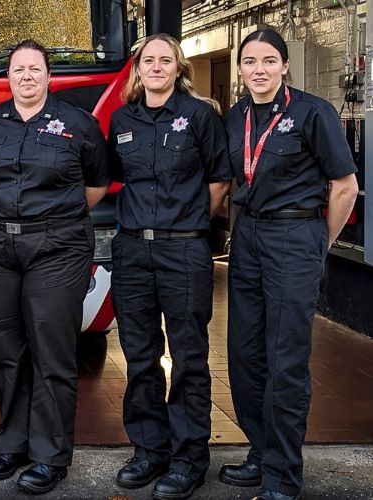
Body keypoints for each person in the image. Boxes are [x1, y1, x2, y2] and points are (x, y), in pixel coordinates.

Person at [0, 39, 110, 495]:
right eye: (18, 69)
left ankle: (50, 456)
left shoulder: (78, 124)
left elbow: (97, 184)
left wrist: (50, 220)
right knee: (7, 351)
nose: (26, 76)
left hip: (58, 249)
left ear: (49, 76)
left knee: (52, 351)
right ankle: (13, 444)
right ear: (8, 77)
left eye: (34, 69)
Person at [221, 29, 358, 500]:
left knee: (285, 361)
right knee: (244, 355)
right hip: (249, 236)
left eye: (269, 60)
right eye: (250, 61)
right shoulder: (236, 115)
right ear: (240, 69)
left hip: (294, 237)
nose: (259, 69)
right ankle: (261, 453)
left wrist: (319, 243)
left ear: (284, 66)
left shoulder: (312, 111)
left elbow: (345, 187)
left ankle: (283, 475)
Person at [105, 34, 230, 500]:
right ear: (138, 69)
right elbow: (112, 176)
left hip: (184, 252)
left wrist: (189, 223)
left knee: (189, 357)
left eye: (166, 60)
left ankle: (190, 457)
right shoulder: (122, 119)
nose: (156, 67)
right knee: (139, 357)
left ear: (178, 68)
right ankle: (149, 450)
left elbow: (220, 181)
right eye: (148, 61)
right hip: (134, 251)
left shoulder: (200, 115)